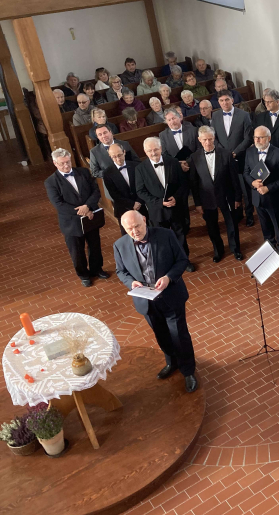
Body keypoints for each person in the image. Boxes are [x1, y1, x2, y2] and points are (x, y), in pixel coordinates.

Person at [114, 211, 198, 393]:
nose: (135, 231)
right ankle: (171, 363)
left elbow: (182, 260)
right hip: (146, 301)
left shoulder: (166, 235)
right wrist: (131, 283)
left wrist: (168, 277)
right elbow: (121, 271)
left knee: (179, 335)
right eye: (129, 229)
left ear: (144, 220)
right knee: (161, 335)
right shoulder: (119, 245)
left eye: (137, 226)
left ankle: (188, 371)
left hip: (171, 296)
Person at [44, 148, 108, 287]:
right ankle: (83, 275)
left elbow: (96, 191)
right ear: (55, 163)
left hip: (90, 216)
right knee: (77, 251)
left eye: (68, 162)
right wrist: (83, 211)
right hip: (71, 221)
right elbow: (59, 204)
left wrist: (88, 206)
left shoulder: (83, 172)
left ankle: (97, 269)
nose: (66, 166)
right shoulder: (51, 182)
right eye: (62, 163)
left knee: (95, 245)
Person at [135, 137, 194, 272]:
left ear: (161, 148)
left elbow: (183, 183)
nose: (153, 153)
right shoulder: (140, 169)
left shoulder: (172, 162)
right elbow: (140, 191)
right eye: (150, 151)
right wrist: (159, 202)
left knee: (180, 235)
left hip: (175, 207)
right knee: (160, 239)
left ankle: (184, 260)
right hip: (157, 210)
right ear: (145, 151)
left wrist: (176, 198)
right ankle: (168, 263)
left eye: (156, 149)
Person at [189, 126, 243, 263]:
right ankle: (218, 251)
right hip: (206, 199)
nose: (208, 142)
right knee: (212, 227)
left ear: (214, 138)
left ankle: (236, 249)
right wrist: (197, 203)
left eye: (210, 139)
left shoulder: (226, 154)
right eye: (205, 140)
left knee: (232, 224)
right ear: (199, 140)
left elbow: (234, 178)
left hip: (226, 195)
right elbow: (194, 183)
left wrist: (237, 197)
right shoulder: (194, 157)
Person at [210, 90, 255, 227]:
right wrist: (224, 153)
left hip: (241, 158)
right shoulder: (215, 115)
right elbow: (214, 137)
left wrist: (235, 152)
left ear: (232, 100)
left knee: (246, 190)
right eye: (221, 100)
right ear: (218, 102)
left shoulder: (244, 115)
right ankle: (237, 214)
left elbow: (248, 137)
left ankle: (249, 215)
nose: (224, 103)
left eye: (227, 100)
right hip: (224, 159)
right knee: (231, 188)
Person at [245, 126, 279, 256]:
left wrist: (268, 188)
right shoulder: (250, 152)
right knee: (264, 225)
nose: (257, 140)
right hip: (257, 197)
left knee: (278, 225)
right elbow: (246, 172)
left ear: (269, 138)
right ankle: (270, 246)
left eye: (260, 137)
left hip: (273, 197)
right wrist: (252, 183)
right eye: (255, 137)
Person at [102, 143, 146, 233]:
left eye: (119, 155)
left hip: (141, 207)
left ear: (124, 152)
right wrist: (131, 204)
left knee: (145, 232)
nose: (118, 159)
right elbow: (114, 194)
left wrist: (139, 202)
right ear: (110, 156)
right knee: (128, 236)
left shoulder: (136, 166)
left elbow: (143, 185)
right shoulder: (107, 173)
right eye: (114, 157)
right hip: (123, 209)